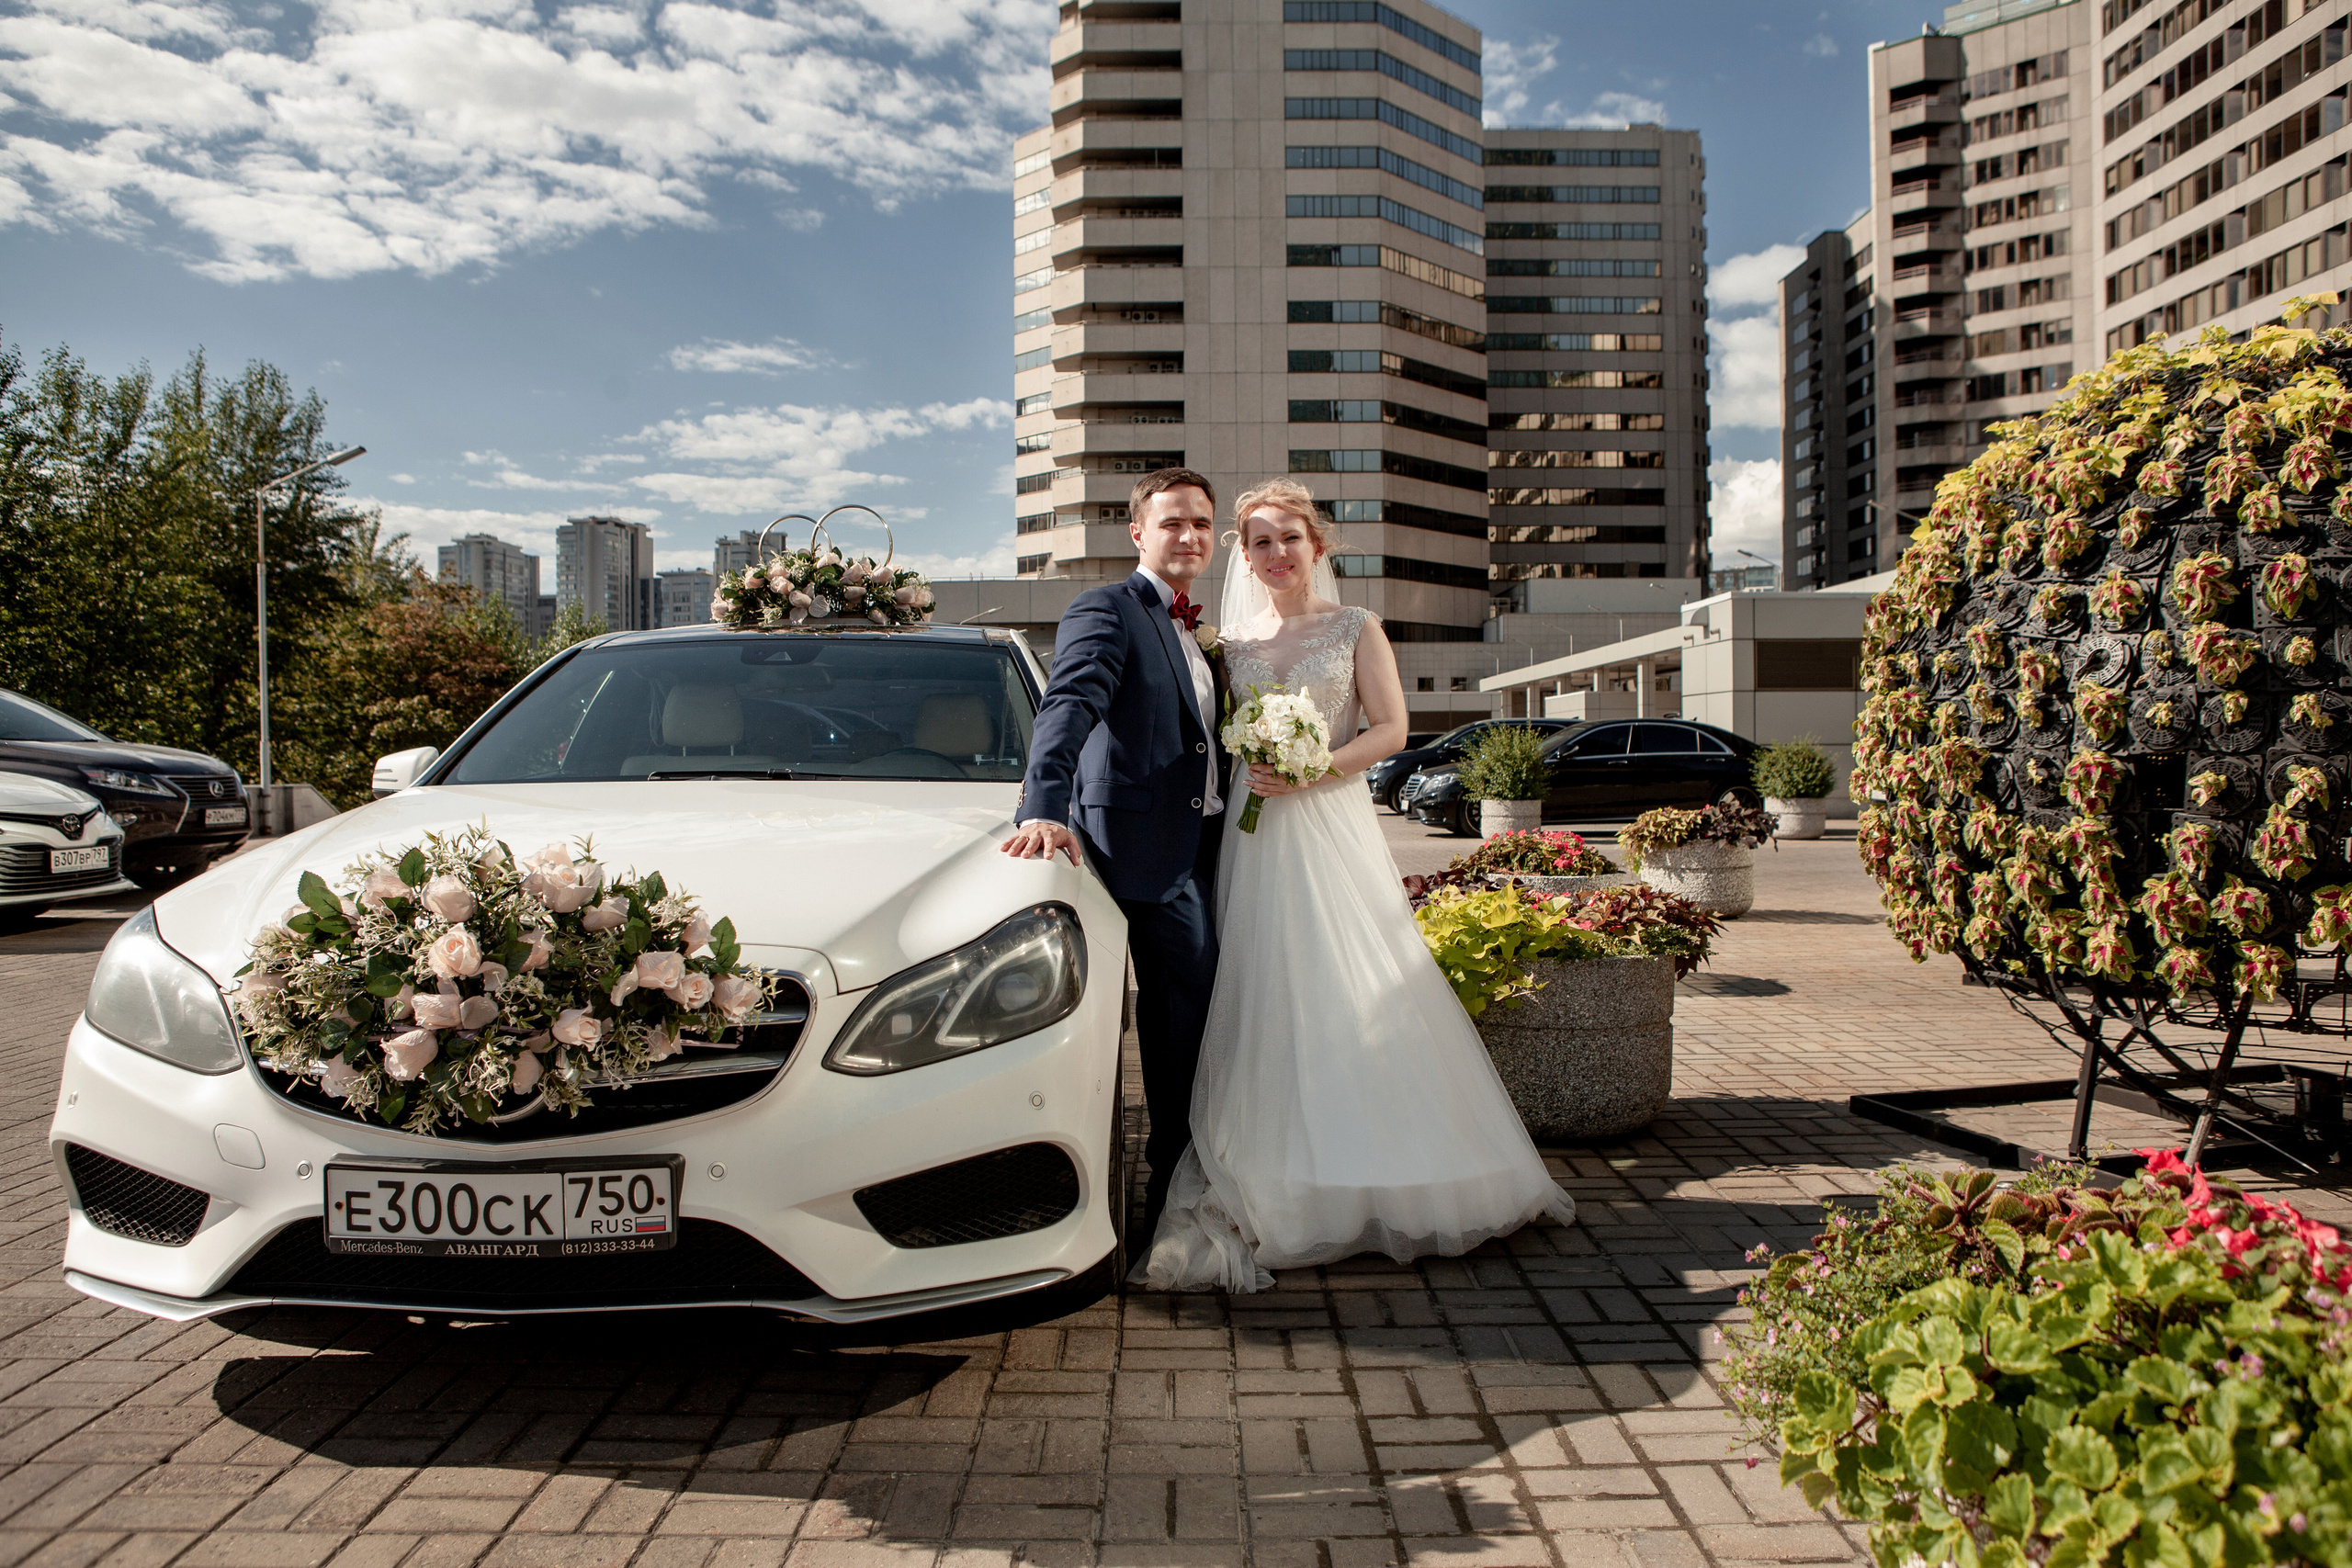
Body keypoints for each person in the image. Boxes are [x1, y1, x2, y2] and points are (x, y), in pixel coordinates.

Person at [1131, 478, 1576, 1292]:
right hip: (1251, 837)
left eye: (1289, 538)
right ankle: (1279, 1164)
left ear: (1317, 545)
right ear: (1244, 555)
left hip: (1327, 820)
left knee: (1353, 980)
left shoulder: (1355, 626)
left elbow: (1393, 728)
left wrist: (1314, 767)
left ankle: (1376, 1165)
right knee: (1266, 991)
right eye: (1260, 542)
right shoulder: (1228, 643)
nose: (1276, 553)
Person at [1001, 468, 1228, 1241]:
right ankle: (1168, 1192)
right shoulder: (1108, 607)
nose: (1189, 535)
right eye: (1172, 522)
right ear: (1138, 532)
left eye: (1201, 523)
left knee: (1183, 1019)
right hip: (1141, 850)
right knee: (1181, 1019)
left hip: (1203, 845)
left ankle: (1177, 1179)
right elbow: (1069, 703)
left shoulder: (1197, 631)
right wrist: (1042, 806)